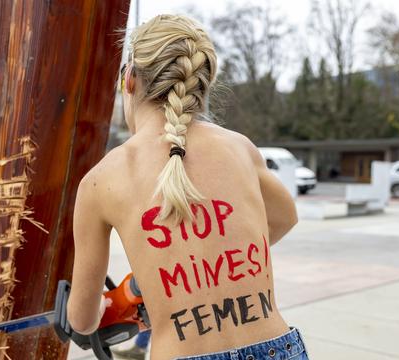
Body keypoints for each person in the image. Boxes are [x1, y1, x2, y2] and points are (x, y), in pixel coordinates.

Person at [67, 14, 307, 360]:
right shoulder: (240, 147)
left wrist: (161, 280)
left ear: (130, 80)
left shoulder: (99, 181)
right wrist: (211, 262)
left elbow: (83, 319)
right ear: (201, 83)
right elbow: (286, 217)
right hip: (277, 349)